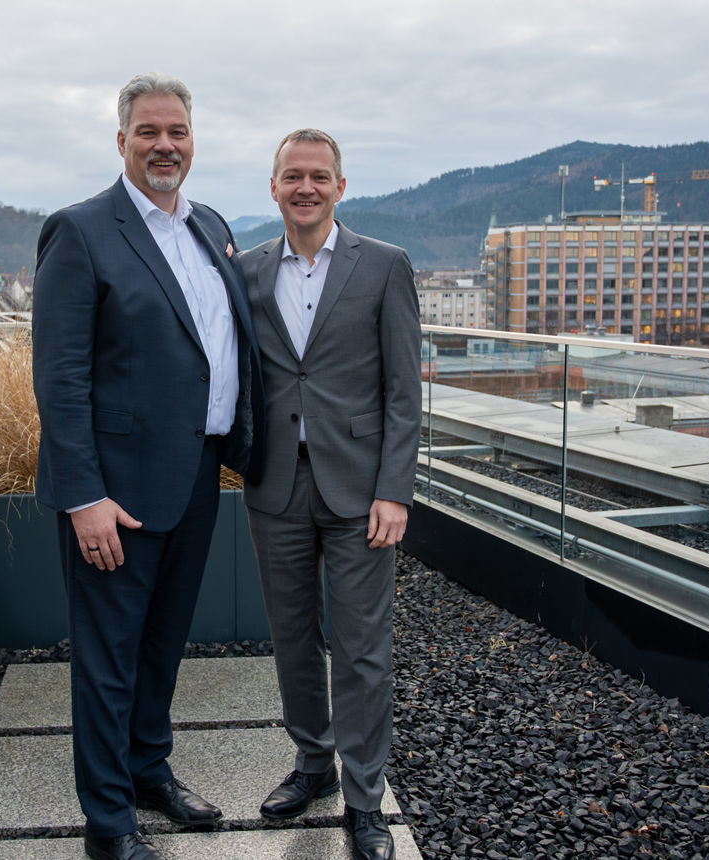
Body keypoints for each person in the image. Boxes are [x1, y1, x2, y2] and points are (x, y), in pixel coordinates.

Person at [31, 73, 261, 860]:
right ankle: (109, 822)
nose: (166, 146)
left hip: (197, 474)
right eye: (149, 132)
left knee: (163, 645)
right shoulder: (82, 231)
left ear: (193, 141)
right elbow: (59, 377)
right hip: (115, 492)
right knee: (108, 660)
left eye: (178, 133)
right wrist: (82, 495)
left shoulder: (210, 226)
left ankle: (147, 770)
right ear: (121, 139)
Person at [237, 129, 421, 860]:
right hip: (275, 484)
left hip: (362, 492)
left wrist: (395, 491)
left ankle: (365, 799)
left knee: (362, 649)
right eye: (292, 176)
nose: (305, 187)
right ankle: (313, 764)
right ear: (274, 187)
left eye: (319, 176)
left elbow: (404, 393)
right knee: (291, 639)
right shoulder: (247, 271)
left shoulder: (384, 267)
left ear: (341, 187)